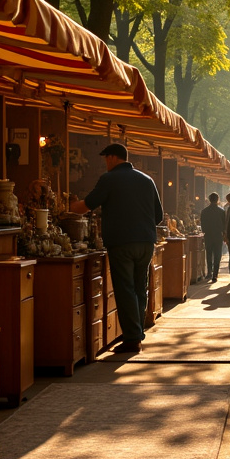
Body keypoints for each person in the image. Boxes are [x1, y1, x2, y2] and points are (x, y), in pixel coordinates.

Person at [70, 143, 162, 353]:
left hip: (121, 242)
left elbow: (87, 205)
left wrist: (69, 207)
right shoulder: (147, 180)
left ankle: (131, 338)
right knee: (140, 287)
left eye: (105, 159)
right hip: (146, 242)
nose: (105, 163)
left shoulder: (109, 179)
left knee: (125, 289)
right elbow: (159, 216)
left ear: (112, 158)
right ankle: (137, 332)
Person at [199, 194, 225, 283]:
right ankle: (215, 274)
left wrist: (204, 231)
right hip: (218, 235)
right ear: (217, 199)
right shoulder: (221, 211)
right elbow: (224, 224)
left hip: (208, 235)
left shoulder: (204, 211)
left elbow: (202, 224)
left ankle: (209, 272)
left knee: (209, 254)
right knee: (217, 255)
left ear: (209, 200)